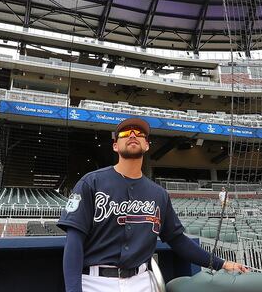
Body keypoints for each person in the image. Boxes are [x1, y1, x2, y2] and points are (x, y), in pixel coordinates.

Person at [58, 117, 248, 292]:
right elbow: (74, 241)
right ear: (115, 146)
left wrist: (221, 264)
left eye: (139, 134)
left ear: (147, 145)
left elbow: (178, 240)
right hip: (95, 282)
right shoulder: (91, 182)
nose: (133, 135)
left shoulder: (159, 194)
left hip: (142, 281)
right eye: (125, 133)